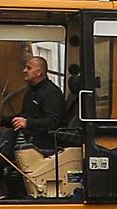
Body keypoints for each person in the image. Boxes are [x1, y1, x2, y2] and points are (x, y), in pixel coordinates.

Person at [6, 42, 82, 200]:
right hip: (37, 133)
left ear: (39, 72)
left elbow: (52, 122)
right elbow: (23, 116)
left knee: (9, 136)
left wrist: (28, 124)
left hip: (48, 137)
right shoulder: (31, 92)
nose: (24, 70)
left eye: (28, 68)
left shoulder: (50, 93)